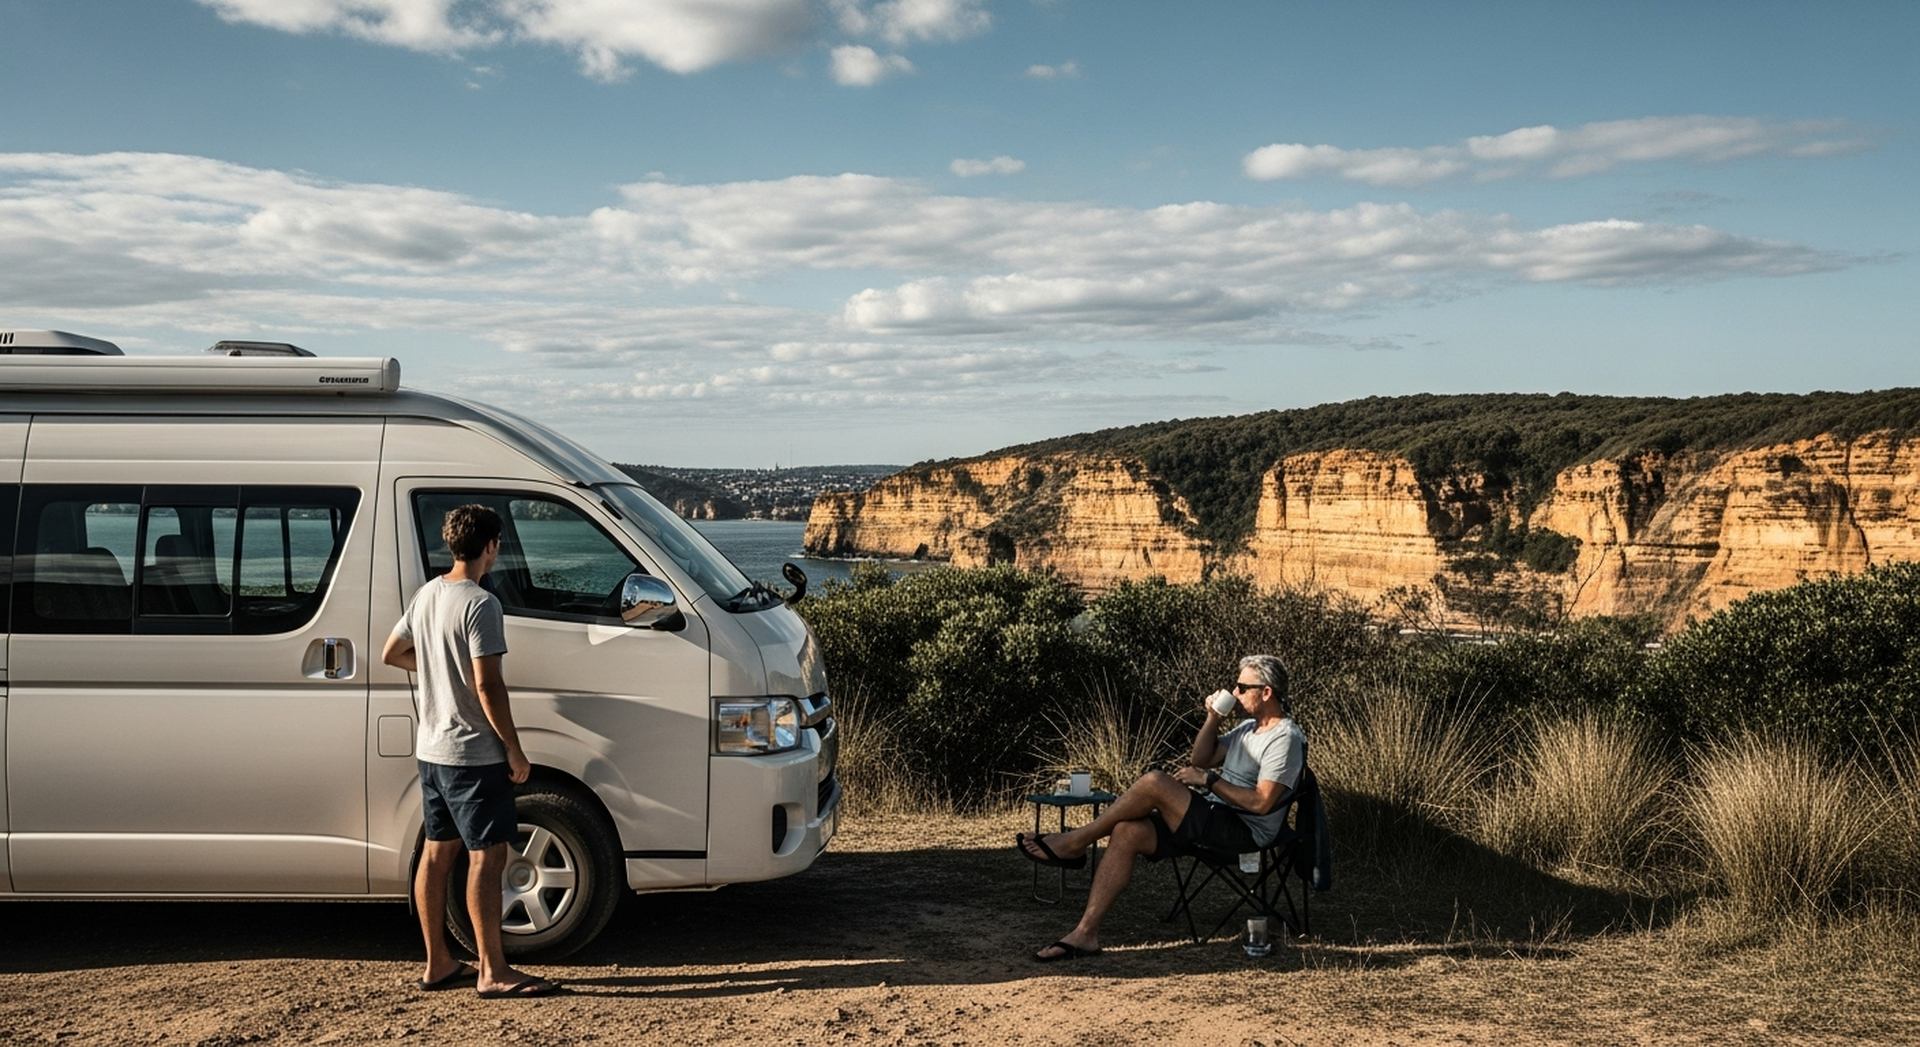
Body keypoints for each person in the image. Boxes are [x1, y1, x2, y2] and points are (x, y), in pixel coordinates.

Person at [1016, 654, 1306, 962]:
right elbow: (1201, 758)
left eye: (1242, 687)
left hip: (1243, 833)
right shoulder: (1249, 729)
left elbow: (1261, 803)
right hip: (1213, 817)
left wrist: (1208, 781)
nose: (1235, 693)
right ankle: (1085, 934)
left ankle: (1075, 842)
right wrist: (1213, 719)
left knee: (1156, 781)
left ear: (1266, 692)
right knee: (1127, 830)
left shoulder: (1284, 738)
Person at [382, 505, 559, 998]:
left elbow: (391, 653)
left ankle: (438, 962)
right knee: (489, 856)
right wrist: (515, 750)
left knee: (437, 855)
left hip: (432, 750)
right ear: (490, 547)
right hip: (472, 754)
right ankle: (492, 971)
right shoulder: (482, 604)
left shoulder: (428, 595)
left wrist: (440, 669)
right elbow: (489, 686)